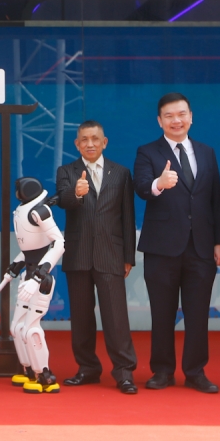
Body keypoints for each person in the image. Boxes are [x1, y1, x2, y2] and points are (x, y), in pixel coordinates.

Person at [134, 92, 220, 393]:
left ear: (191, 116)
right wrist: (158, 184)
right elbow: (141, 188)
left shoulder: (206, 151)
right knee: (162, 312)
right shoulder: (147, 152)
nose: (177, 120)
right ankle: (162, 371)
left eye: (181, 114)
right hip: (162, 247)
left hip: (201, 247)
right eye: (170, 116)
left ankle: (195, 371)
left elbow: (216, 199)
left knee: (198, 313)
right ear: (160, 121)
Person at [56, 121, 138, 394]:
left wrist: (128, 255)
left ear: (105, 142)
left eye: (95, 139)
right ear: (77, 144)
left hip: (111, 254)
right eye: (84, 140)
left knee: (116, 316)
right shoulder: (66, 171)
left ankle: (124, 372)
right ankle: (87, 368)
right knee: (81, 316)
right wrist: (75, 194)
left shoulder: (121, 173)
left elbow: (127, 216)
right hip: (78, 254)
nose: (89, 143)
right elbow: (64, 201)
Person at [7, 177, 65, 394]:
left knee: (31, 328)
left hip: (41, 281)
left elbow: (59, 243)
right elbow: (31, 247)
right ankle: (28, 369)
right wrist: (15, 265)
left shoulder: (40, 212)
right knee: (17, 328)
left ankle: (45, 375)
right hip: (27, 275)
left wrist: (39, 275)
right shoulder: (23, 211)